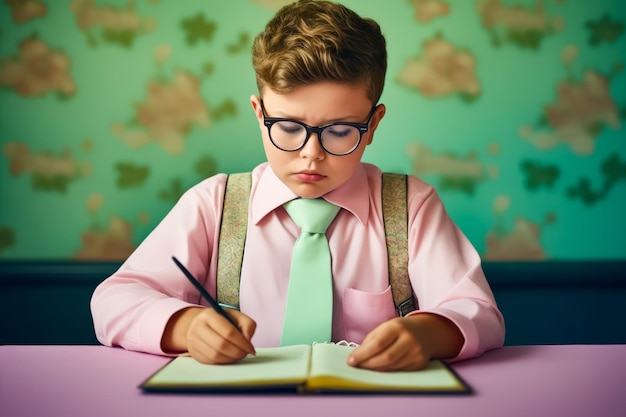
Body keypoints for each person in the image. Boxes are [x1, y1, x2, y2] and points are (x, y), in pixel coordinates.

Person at [91, 0, 505, 372]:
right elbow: (114, 301)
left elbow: (478, 311)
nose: (311, 154)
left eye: (340, 131)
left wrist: (429, 333)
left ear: (373, 124)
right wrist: (186, 325)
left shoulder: (411, 206)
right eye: (288, 127)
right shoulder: (212, 205)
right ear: (259, 113)